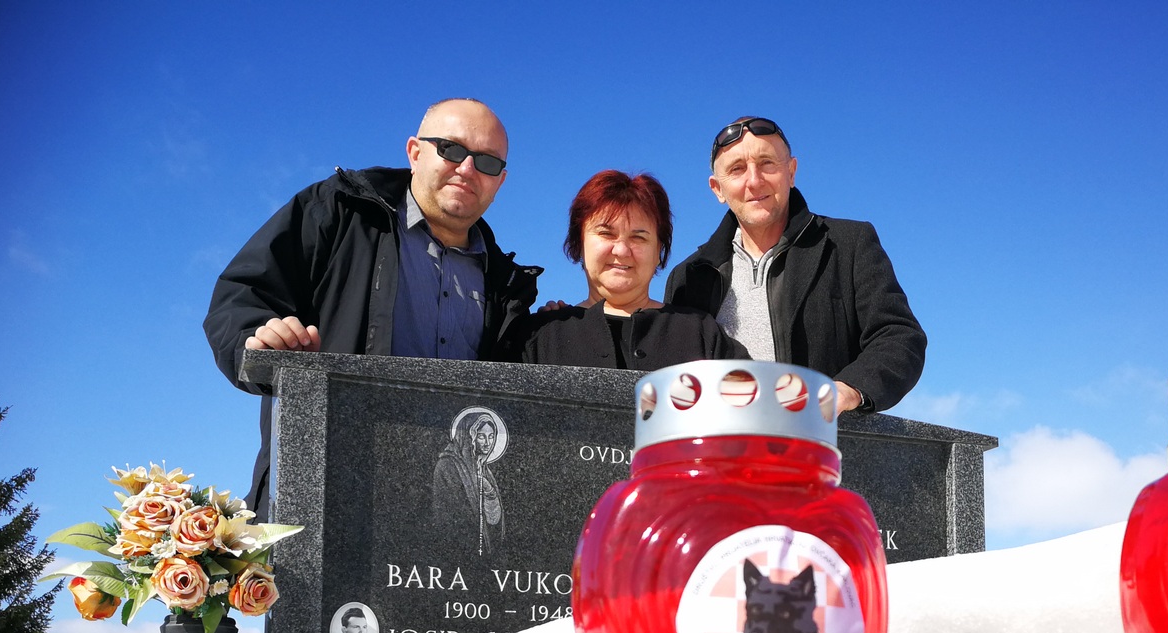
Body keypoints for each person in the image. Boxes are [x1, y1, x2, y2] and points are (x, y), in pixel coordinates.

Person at [203, 98, 542, 511]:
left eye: (486, 161)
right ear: (415, 152)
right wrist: (257, 340)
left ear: (500, 181)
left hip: (448, 509)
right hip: (329, 490)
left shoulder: (507, 286)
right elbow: (243, 296)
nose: (467, 168)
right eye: (451, 149)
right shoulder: (340, 213)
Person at [665, 117, 926, 413]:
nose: (754, 180)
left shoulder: (849, 244)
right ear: (717, 189)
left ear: (791, 172)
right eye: (737, 169)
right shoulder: (689, 278)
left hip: (823, 437)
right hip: (723, 440)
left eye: (767, 163)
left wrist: (848, 389)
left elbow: (898, 336)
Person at [512, 170, 745, 369]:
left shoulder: (701, 334)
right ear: (579, 243)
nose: (622, 250)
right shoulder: (539, 337)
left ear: (659, 251)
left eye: (638, 237)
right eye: (606, 234)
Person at [432, 407, 507, 557]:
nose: (488, 443)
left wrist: (490, 495)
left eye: (491, 436)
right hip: (456, 550)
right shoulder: (447, 466)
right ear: (468, 436)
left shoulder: (485, 470)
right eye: (481, 437)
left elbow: (495, 521)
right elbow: (446, 514)